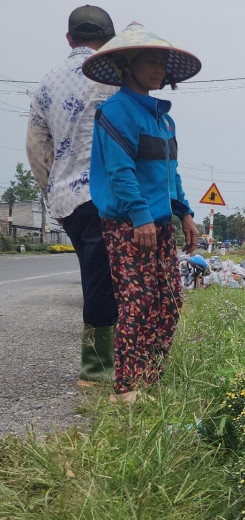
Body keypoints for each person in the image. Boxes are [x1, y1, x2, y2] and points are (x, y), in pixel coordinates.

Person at [82, 23, 202, 402]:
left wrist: (184, 213)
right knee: (137, 301)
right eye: (149, 61)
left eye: (161, 62)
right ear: (126, 66)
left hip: (160, 222)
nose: (158, 69)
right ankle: (125, 387)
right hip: (128, 224)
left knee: (169, 300)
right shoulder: (116, 112)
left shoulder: (163, 120)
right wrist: (139, 216)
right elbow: (121, 171)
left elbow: (170, 173)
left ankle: (149, 378)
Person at [25, 5, 120, 387]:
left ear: (70, 39)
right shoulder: (116, 74)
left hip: (68, 202)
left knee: (96, 277)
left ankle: (106, 364)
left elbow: (36, 145)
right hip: (110, 195)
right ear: (109, 38)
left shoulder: (47, 82)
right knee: (107, 281)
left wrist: (52, 190)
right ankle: (96, 372)